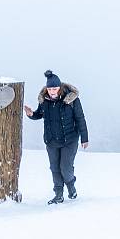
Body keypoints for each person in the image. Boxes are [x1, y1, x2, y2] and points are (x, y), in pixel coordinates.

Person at [24, 70, 89, 204]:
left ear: (59, 88)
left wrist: (84, 138)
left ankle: (71, 186)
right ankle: (58, 194)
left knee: (65, 167)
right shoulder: (45, 101)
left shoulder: (71, 100)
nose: (52, 91)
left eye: (54, 88)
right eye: (49, 89)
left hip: (69, 140)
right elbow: (39, 114)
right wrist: (31, 114)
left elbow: (80, 118)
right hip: (51, 140)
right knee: (55, 168)